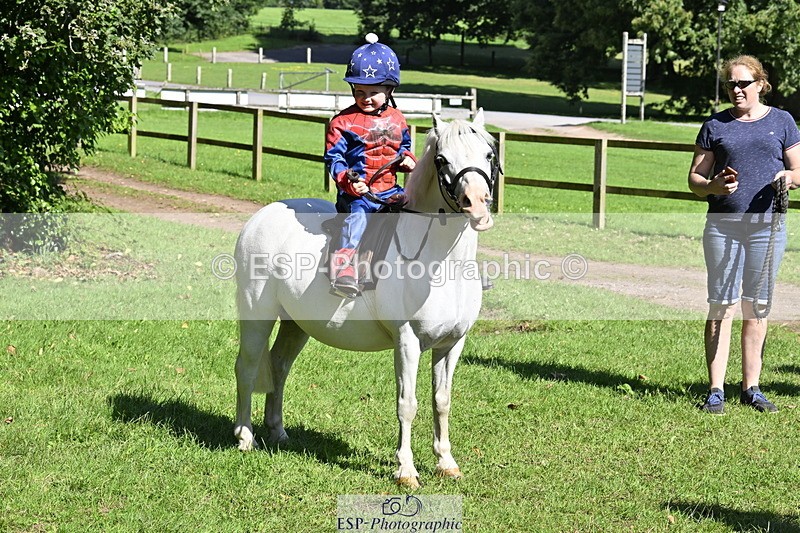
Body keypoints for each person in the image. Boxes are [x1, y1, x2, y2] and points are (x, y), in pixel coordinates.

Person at [688, 55, 800, 414]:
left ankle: (752, 387)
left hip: (767, 229)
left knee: (757, 307)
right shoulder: (715, 125)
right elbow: (694, 179)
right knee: (721, 306)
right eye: (731, 84)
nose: (736, 90)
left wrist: (789, 177)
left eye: (743, 83)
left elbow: (799, 170)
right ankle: (716, 390)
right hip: (723, 227)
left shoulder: (782, 122)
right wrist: (713, 185)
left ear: (761, 84)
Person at [324, 33, 416, 298]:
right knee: (357, 220)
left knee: (422, 212)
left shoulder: (398, 119)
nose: (365, 98)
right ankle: (343, 270)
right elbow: (334, 159)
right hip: (359, 196)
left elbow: (404, 148)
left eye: (373, 92)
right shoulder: (342, 122)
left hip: (391, 191)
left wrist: (409, 160)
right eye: (359, 92)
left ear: (390, 90)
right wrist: (350, 182)